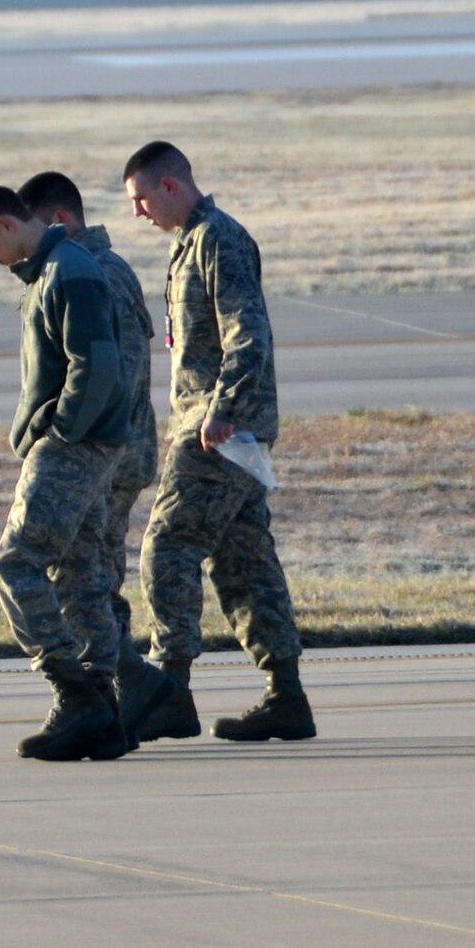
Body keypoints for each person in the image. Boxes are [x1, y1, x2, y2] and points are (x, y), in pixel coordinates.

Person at [123, 140, 315, 742]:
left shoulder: (218, 240)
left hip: (219, 430)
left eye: (141, 198)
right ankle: (286, 695)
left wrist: (221, 410)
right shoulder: (191, 243)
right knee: (243, 558)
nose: (138, 213)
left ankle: (170, 686)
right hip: (221, 426)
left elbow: (247, 332)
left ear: (171, 186)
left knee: (169, 543)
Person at [18, 170, 192, 745]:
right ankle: (125, 702)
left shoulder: (91, 273)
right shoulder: (103, 269)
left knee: (80, 581)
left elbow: (105, 375)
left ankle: (133, 692)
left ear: (60, 221)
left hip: (105, 455)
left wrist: (71, 439)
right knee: (91, 580)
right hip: (119, 453)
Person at [0, 184, 132, 761]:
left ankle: (73, 689)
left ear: (7, 224)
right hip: (89, 442)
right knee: (81, 574)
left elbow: (98, 362)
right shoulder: (54, 271)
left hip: (74, 446)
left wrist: (62, 429)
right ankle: (102, 715)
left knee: (17, 563)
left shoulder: (67, 272)